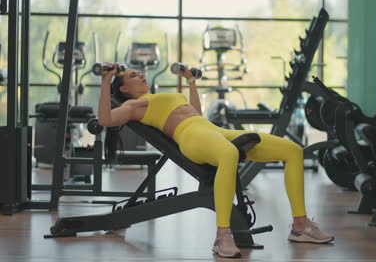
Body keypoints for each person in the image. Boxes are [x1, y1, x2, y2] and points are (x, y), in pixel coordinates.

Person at [98, 63, 334, 258]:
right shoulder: (132, 105)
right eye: (132, 75)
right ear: (125, 89)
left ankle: (300, 226)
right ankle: (222, 236)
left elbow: (195, 113)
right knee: (228, 154)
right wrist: (105, 81)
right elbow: (106, 119)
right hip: (191, 136)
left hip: (212, 130)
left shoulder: (161, 96)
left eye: (138, 72)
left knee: (293, 150)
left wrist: (191, 81)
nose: (139, 74)